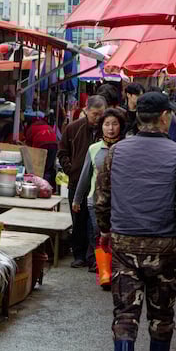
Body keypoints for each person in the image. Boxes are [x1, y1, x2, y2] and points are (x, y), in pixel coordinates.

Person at [95, 91, 176, 351]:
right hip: (166, 247)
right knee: (161, 314)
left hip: (124, 245)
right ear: (164, 118)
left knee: (124, 314)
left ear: (137, 117)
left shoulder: (115, 153)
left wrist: (104, 230)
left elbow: (100, 198)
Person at [72, 107, 127, 290]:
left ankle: (117, 269)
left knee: (118, 236)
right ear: (101, 127)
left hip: (122, 202)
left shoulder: (127, 148)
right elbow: (85, 176)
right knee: (99, 236)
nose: (111, 128)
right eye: (107, 124)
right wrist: (77, 199)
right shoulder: (94, 149)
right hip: (95, 201)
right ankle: (105, 274)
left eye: (115, 124)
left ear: (121, 126)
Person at [59, 96, 106, 269]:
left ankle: (93, 257)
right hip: (77, 181)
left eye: (101, 115)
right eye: (95, 114)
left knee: (94, 223)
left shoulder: (106, 130)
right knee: (78, 219)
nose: (98, 119)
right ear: (86, 111)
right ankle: (78, 255)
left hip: (98, 185)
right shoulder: (73, 128)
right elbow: (62, 152)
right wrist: (70, 170)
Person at [24, 111, 58, 184]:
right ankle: (48, 185)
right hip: (54, 144)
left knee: (41, 167)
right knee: (49, 167)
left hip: (41, 145)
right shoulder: (46, 125)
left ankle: (41, 184)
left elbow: (29, 146)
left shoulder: (31, 128)